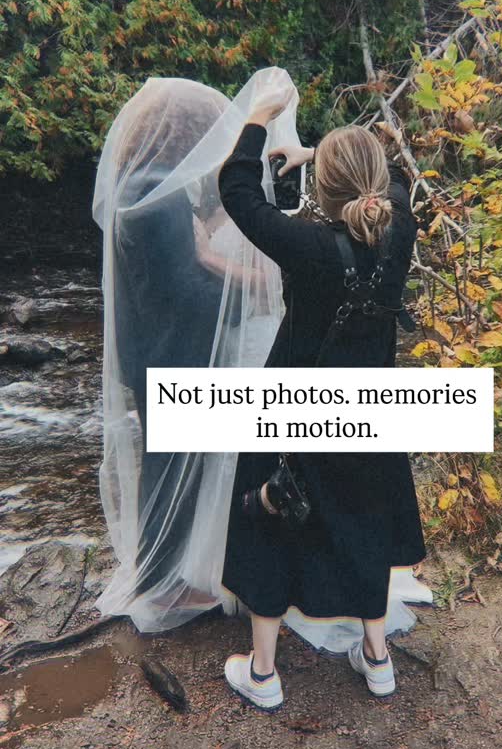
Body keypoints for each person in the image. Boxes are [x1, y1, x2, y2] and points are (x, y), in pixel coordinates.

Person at [218, 84, 426, 710]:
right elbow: (382, 188)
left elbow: (239, 194)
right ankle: (378, 659)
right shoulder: (401, 231)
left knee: (270, 517)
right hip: (369, 413)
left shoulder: (307, 248)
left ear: (328, 193)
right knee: (364, 520)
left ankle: (262, 673)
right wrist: (321, 154)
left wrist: (257, 120)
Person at [92, 70, 300, 632]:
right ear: (180, 133)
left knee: (166, 464)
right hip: (171, 351)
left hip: (151, 348)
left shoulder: (142, 184)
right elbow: (182, 287)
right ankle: (163, 586)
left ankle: (166, 574)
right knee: (166, 470)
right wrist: (243, 292)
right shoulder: (153, 197)